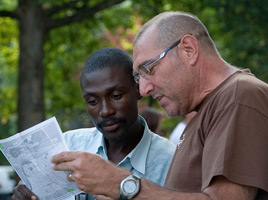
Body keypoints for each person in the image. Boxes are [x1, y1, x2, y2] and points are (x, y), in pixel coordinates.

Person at [50, 11, 268, 200]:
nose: (143, 89)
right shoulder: (211, 108)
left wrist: (119, 184)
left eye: (148, 69)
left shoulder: (239, 96)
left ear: (188, 50)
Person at [12, 47, 176, 200]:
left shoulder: (172, 162)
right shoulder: (65, 147)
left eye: (116, 96)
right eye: (92, 101)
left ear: (138, 89)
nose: (105, 111)